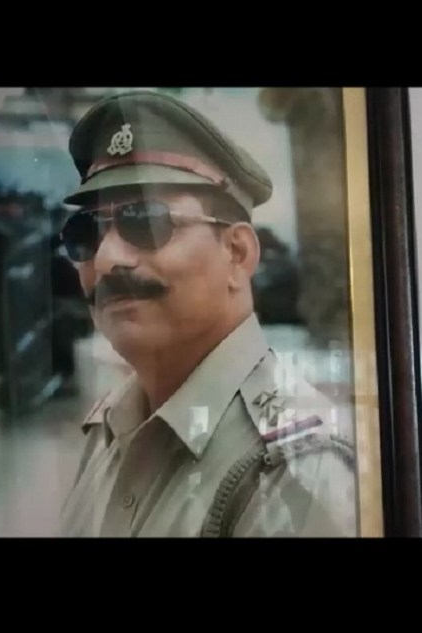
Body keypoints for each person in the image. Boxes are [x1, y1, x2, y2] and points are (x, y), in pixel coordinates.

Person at [58, 90, 357, 537]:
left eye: (146, 220)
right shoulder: (110, 429)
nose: (105, 259)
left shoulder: (294, 471)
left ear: (237, 254)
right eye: (86, 232)